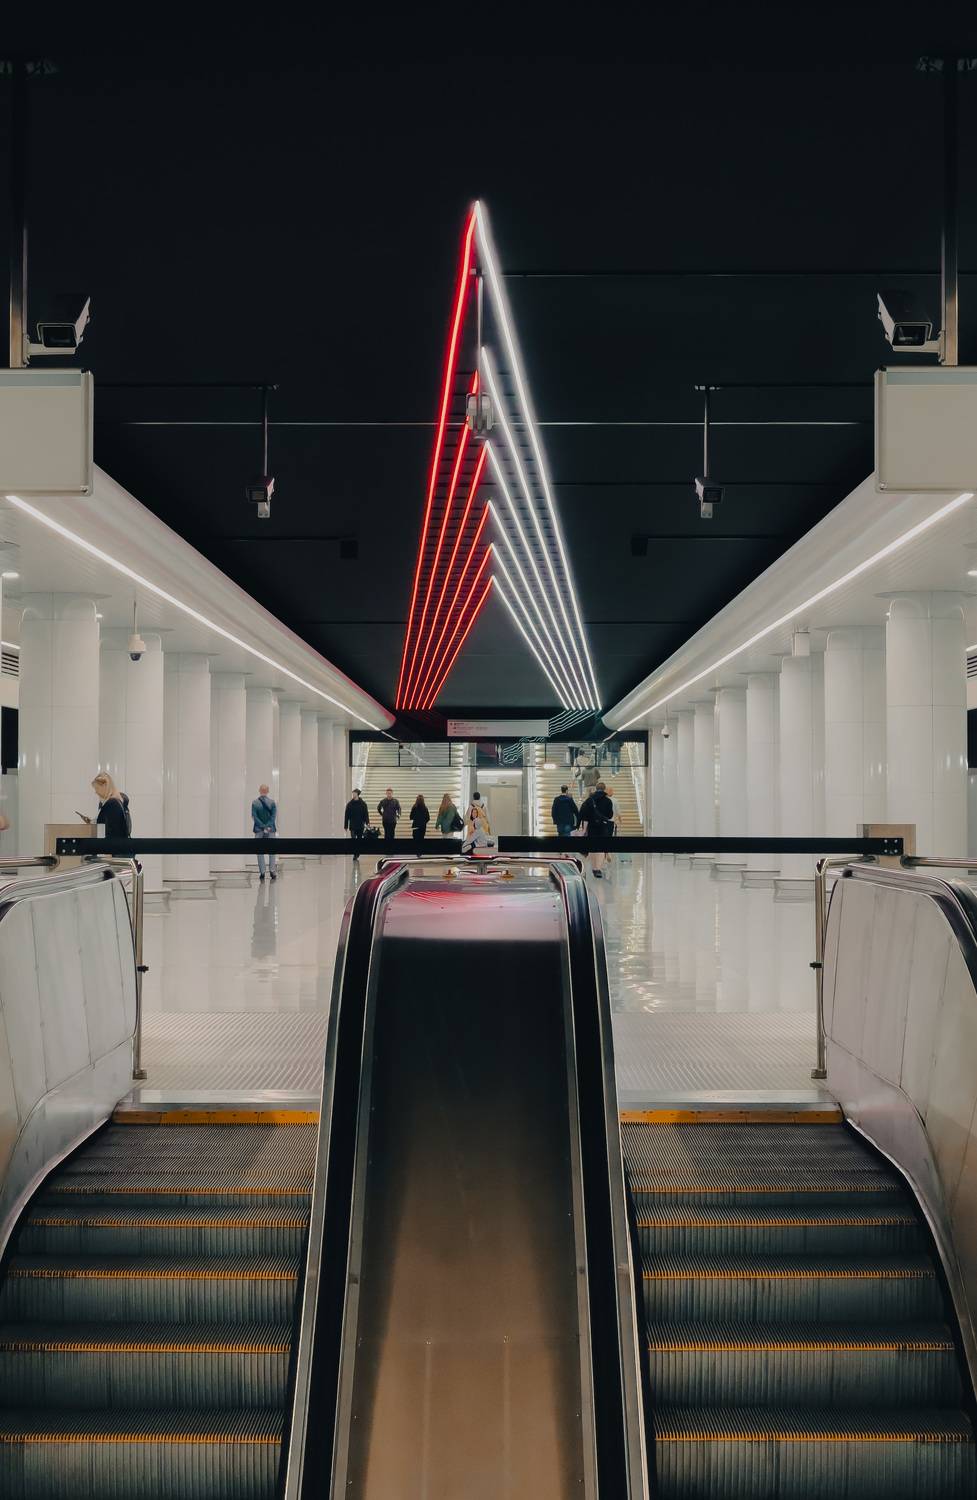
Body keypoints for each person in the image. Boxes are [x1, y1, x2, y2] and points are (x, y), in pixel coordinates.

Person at [578, 782, 614, 878]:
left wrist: (584, 829)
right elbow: (610, 815)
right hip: (603, 826)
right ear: (604, 789)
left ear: (596, 789)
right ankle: (598, 869)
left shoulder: (589, 800)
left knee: (593, 848)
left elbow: (584, 815)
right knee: (601, 848)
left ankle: (594, 867)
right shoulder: (608, 801)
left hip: (592, 827)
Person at [251, 783, 278, 881]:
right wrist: (267, 826)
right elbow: (273, 817)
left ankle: (262, 872)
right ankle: (272, 871)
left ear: (259, 791)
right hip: (271, 830)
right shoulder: (272, 803)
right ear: (268, 791)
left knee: (259, 851)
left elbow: (254, 817)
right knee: (272, 850)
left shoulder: (255, 803)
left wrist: (262, 827)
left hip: (259, 830)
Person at [90, 772, 130, 838]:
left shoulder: (112, 804)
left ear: (105, 786)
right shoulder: (114, 802)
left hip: (112, 844)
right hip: (115, 843)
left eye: (97, 788)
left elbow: (107, 829)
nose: (96, 792)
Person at [344, 787, 369, 859]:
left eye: (354, 793)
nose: (353, 795)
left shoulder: (363, 804)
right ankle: (355, 853)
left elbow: (366, 814)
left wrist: (367, 822)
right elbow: (346, 815)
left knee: (359, 840)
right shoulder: (349, 804)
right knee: (353, 840)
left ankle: (358, 852)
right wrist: (345, 825)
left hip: (360, 825)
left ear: (357, 794)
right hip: (352, 825)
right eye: (353, 793)